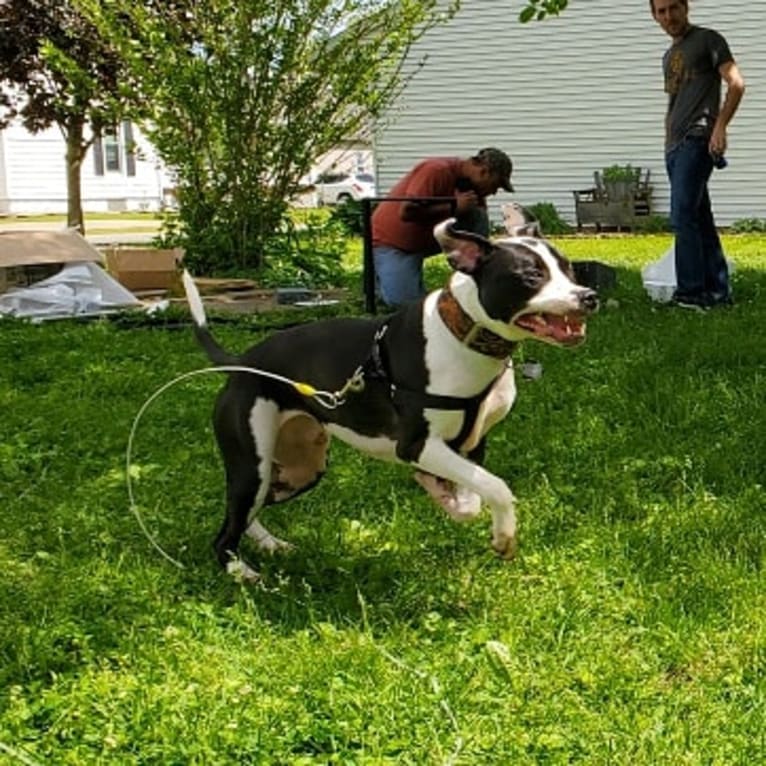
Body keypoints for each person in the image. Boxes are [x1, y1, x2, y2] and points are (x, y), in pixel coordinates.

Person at [650, 0, 745, 310]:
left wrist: (720, 127)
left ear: (686, 7)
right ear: (654, 15)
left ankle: (691, 295)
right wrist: (667, 144)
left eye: (673, 8)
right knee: (700, 218)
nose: (669, 16)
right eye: (661, 11)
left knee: (682, 217)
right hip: (675, 146)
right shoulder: (669, 56)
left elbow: (736, 83)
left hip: (697, 139)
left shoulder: (708, 40)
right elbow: (673, 103)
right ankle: (718, 293)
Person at [371, 148, 514, 307]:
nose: (494, 192)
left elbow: (478, 225)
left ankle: (476, 277)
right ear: (484, 172)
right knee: (404, 303)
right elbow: (407, 212)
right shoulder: (436, 170)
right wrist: (454, 206)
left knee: (477, 214)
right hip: (394, 242)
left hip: (426, 238)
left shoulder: (472, 190)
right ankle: (381, 279)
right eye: (496, 185)